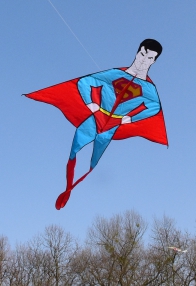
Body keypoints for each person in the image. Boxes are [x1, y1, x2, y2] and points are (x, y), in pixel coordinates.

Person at [35, 39, 165, 209]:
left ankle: (71, 188)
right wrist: (92, 105)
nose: (143, 60)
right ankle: (67, 189)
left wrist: (130, 118)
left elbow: (154, 107)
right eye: (142, 54)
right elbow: (84, 82)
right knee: (74, 150)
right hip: (95, 119)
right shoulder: (115, 74)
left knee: (93, 161)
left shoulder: (149, 89)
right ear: (137, 52)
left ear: (153, 61)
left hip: (111, 126)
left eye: (149, 58)